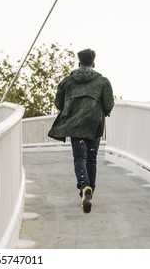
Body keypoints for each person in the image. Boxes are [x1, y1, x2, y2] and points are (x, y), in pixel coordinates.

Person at [48, 48, 114, 214]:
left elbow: (59, 103)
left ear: (79, 62)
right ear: (93, 63)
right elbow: (109, 104)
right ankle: (90, 190)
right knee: (91, 159)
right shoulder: (103, 81)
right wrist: (100, 112)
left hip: (76, 124)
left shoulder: (67, 81)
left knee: (80, 158)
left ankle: (84, 187)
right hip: (94, 124)